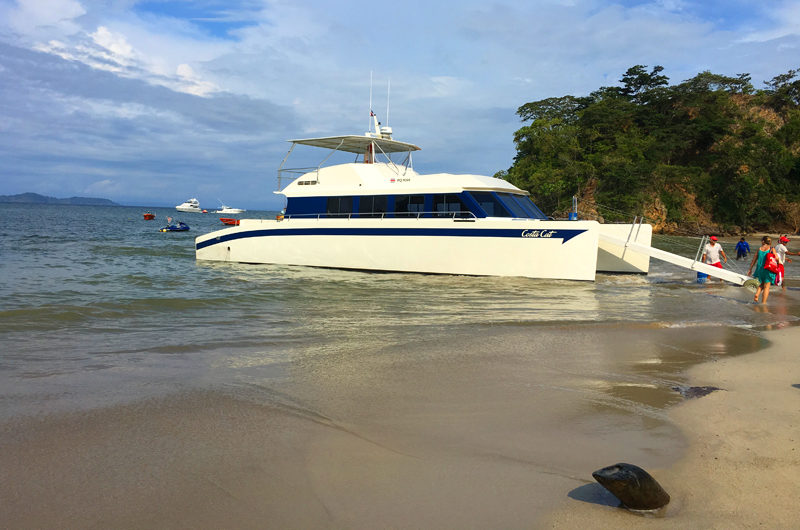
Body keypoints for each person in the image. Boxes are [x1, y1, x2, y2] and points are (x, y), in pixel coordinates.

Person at [748, 236, 778, 303]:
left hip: (760, 270)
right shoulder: (771, 249)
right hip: (768, 269)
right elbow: (776, 258)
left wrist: (750, 269)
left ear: (763, 241)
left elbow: (754, 260)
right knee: (767, 286)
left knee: (762, 283)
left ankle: (757, 294)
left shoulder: (759, 249)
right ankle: (763, 303)